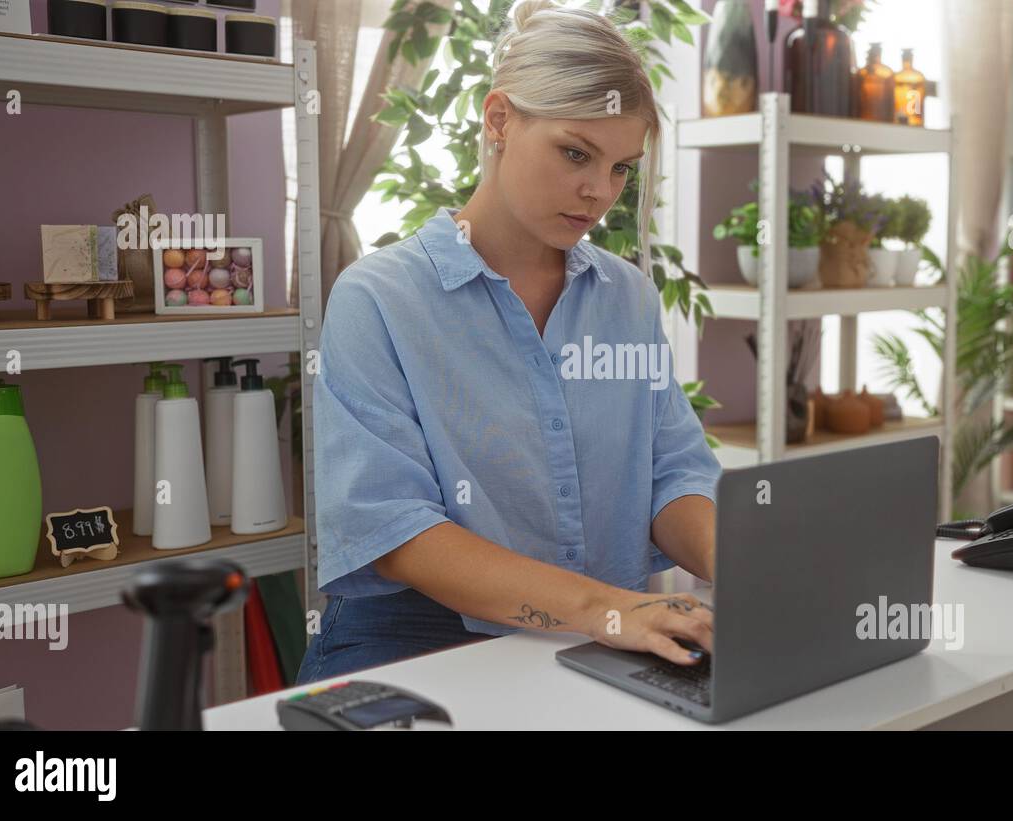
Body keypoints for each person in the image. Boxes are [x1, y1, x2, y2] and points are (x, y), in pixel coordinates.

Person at [296, 0, 722, 686]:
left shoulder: (628, 299)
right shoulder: (378, 298)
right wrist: (607, 609)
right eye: (576, 153)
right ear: (499, 120)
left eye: (620, 168)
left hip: (602, 634)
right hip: (421, 637)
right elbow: (397, 532)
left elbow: (673, 473)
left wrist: (746, 562)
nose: (598, 192)